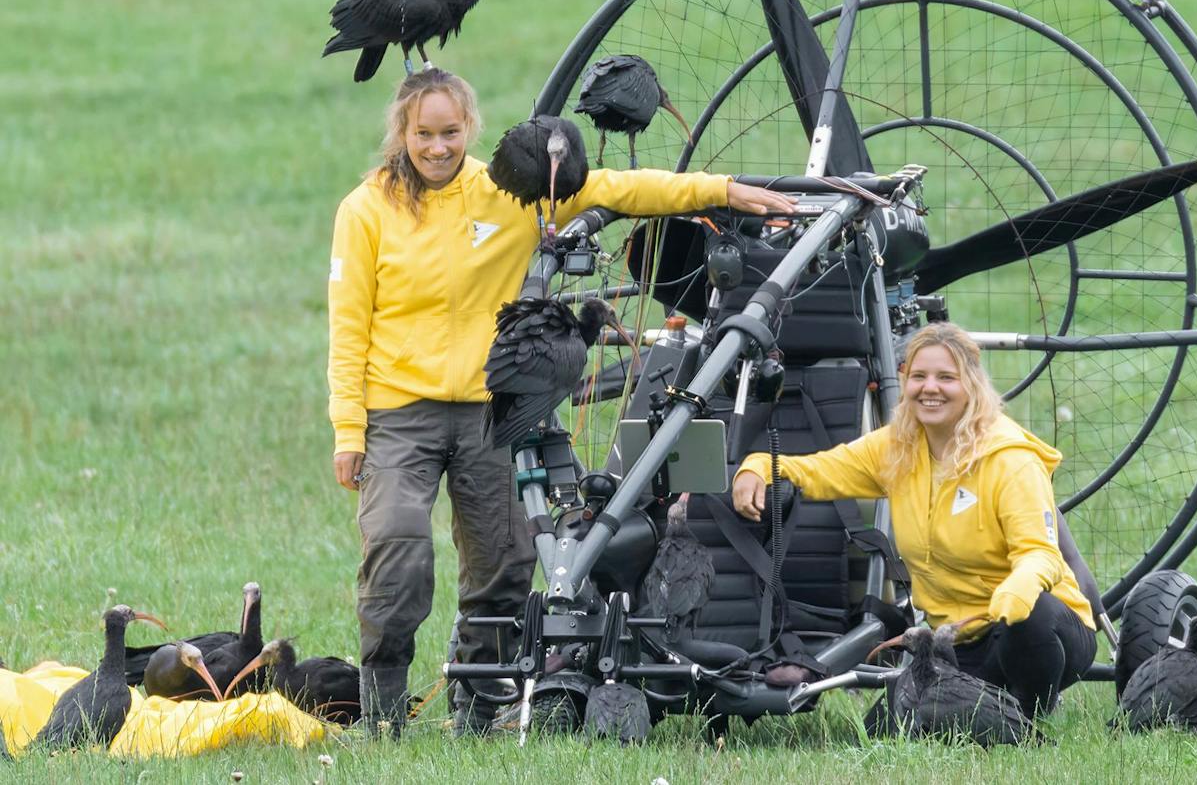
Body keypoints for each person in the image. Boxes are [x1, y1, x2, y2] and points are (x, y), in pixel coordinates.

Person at [328, 67, 792, 737]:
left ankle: (481, 707)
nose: (437, 147)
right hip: (400, 412)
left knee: (507, 563)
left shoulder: (510, 193)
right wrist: (350, 430)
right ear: (401, 131)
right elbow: (348, 329)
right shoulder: (365, 208)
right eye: (423, 133)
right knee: (398, 546)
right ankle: (383, 712)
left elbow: (620, 189)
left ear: (470, 128)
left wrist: (721, 191)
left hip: (496, 409)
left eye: (450, 132)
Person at [732, 322, 1095, 721]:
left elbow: (1040, 555)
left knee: (1030, 617)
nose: (930, 388)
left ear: (972, 384)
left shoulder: (1010, 459)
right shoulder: (896, 448)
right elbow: (820, 471)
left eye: (946, 377)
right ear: (904, 380)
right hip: (958, 642)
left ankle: (1030, 713)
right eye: (918, 376)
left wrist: (1019, 586)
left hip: (1041, 626)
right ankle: (988, 706)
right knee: (886, 725)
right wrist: (759, 467)